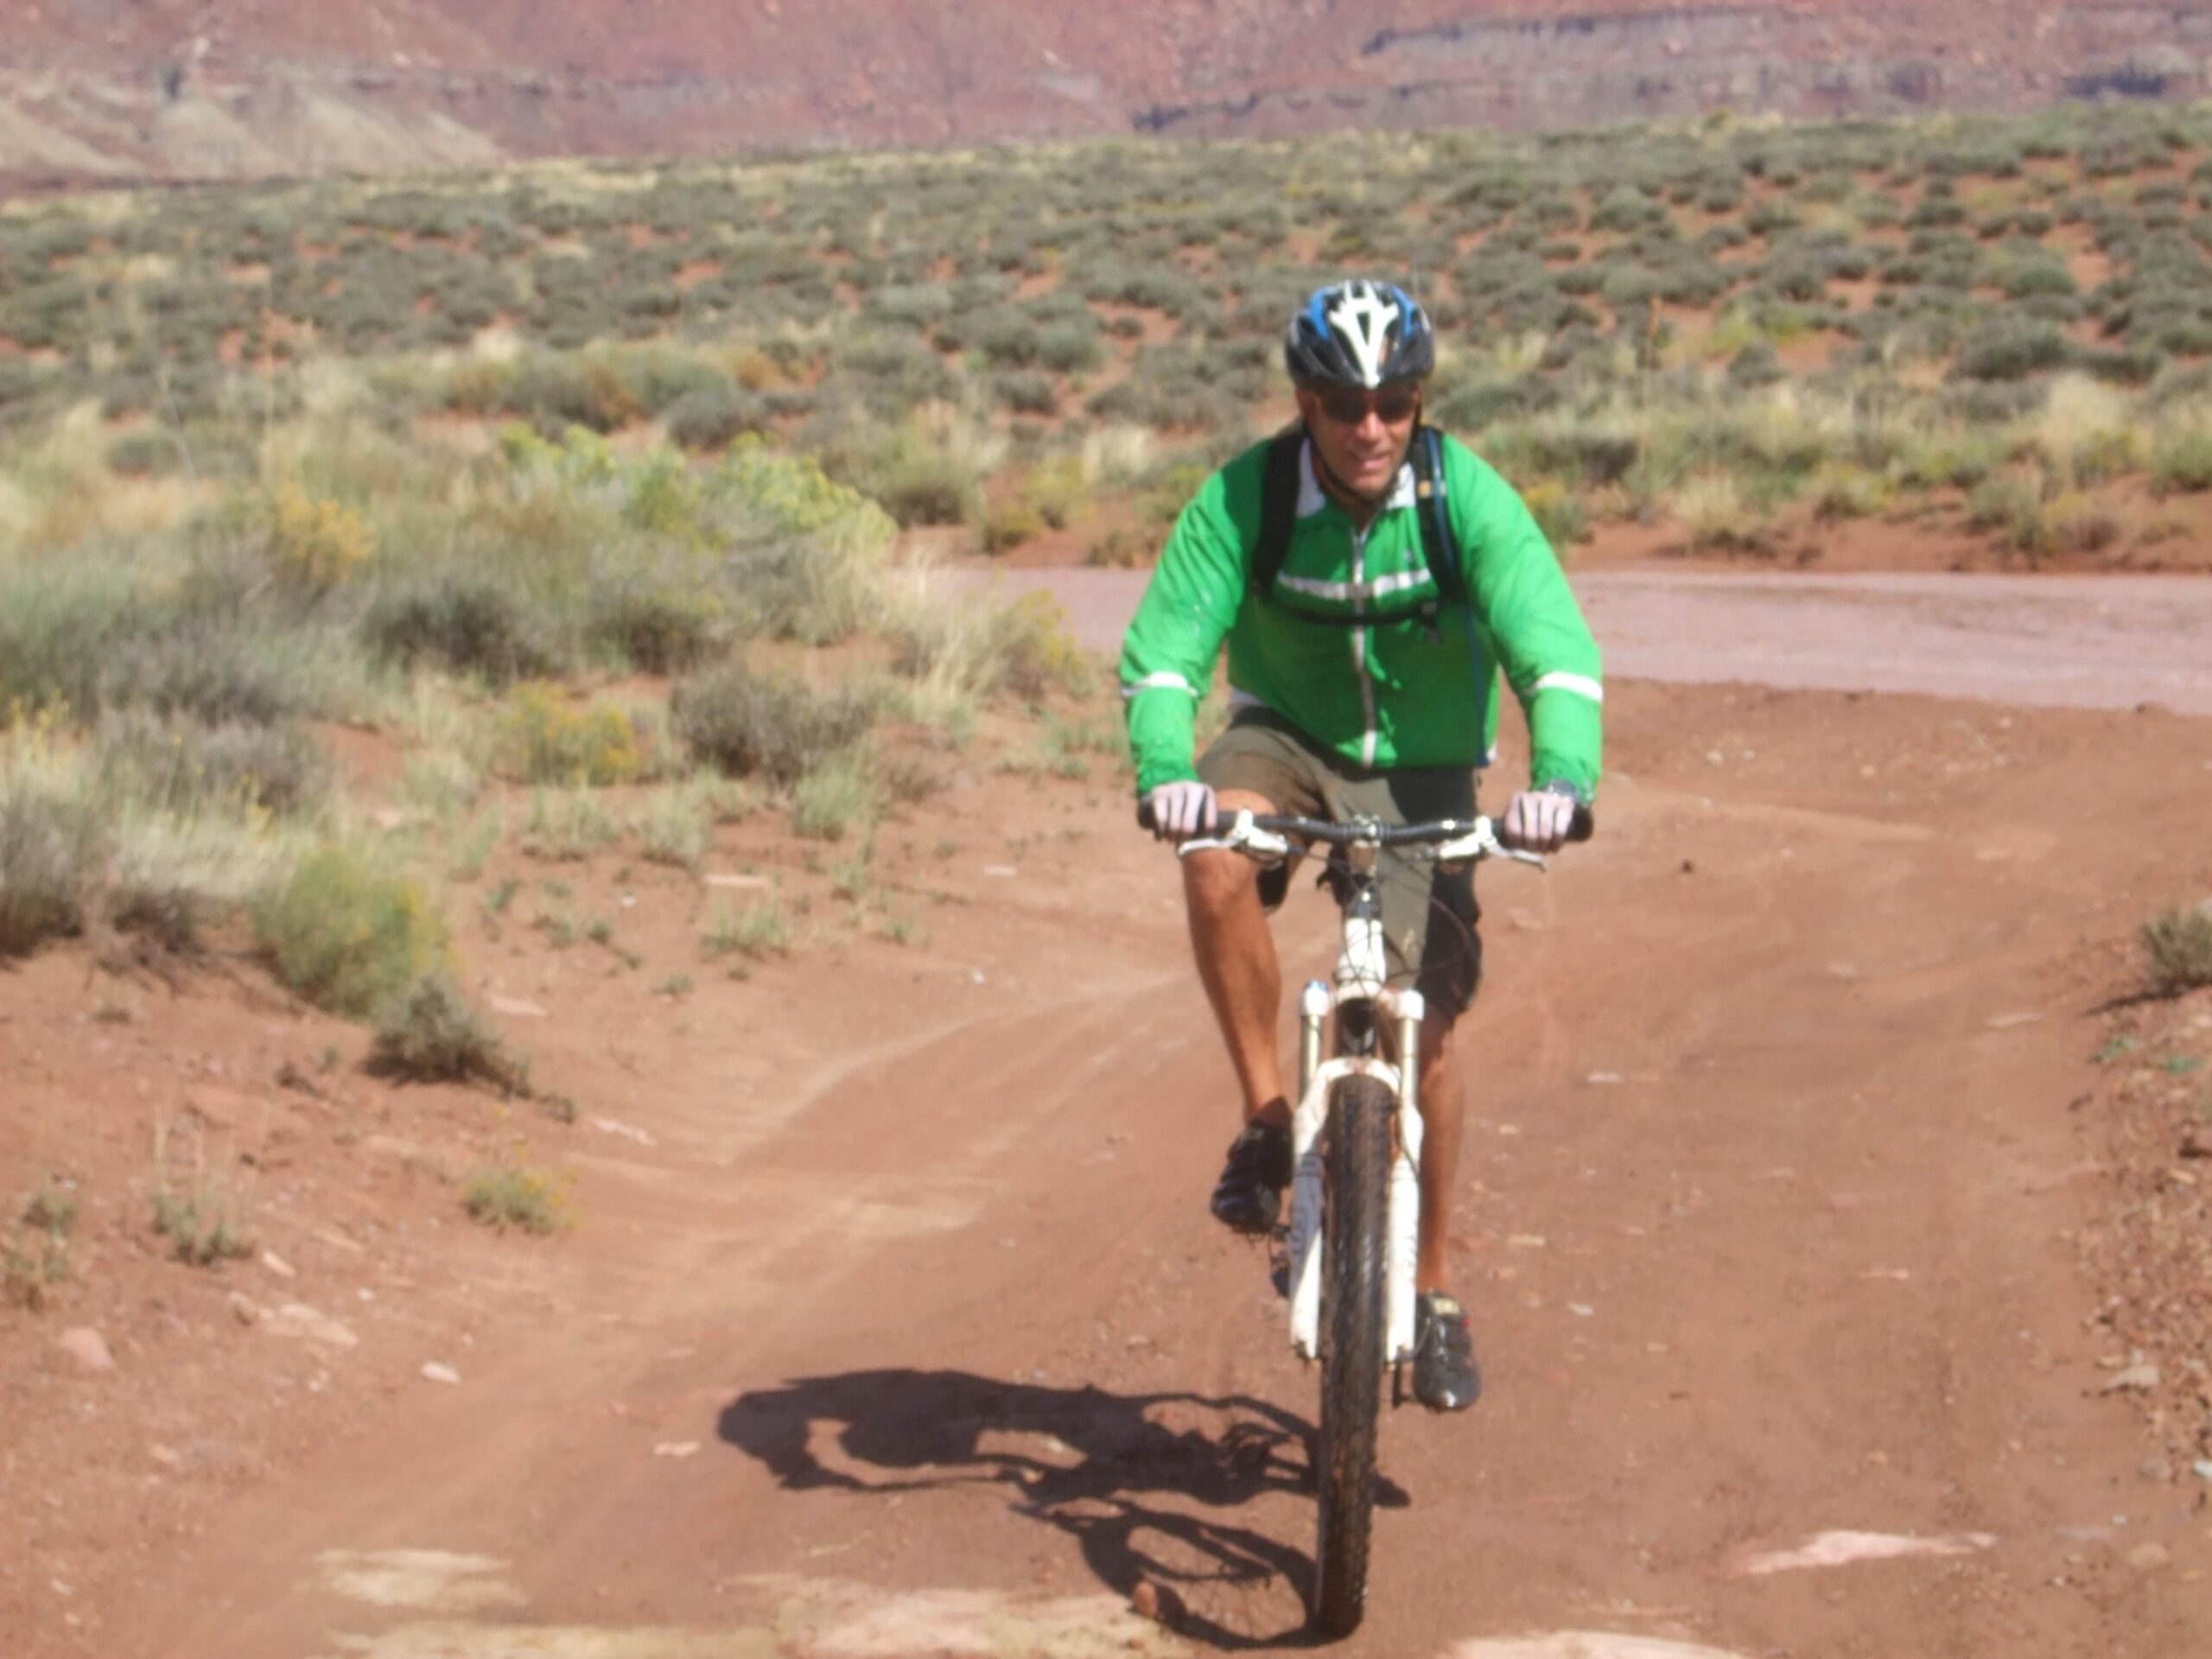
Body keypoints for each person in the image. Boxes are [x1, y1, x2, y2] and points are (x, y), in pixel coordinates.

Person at [1118, 279, 1603, 1413]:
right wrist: (1166, 774)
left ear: (1420, 401)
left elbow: (1555, 649)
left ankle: (1432, 1292)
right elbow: (1163, 659)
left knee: (1424, 1029)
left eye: (1393, 402)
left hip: (1426, 769)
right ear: (1306, 404)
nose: (1370, 427)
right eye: (1344, 405)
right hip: (1283, 737)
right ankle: (1266, 1121)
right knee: (1212, 861)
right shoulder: (1245, 500)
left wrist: (1562, 779)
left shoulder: (1465, 498)